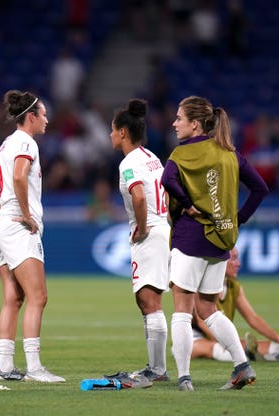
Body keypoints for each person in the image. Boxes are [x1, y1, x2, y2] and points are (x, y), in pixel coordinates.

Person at [160, 95, 269, 391]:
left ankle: (183, 377)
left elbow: (166, 180)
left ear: (195, 124)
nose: (174, 123)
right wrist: (238, 219)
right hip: (221, 242)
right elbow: (260, 188)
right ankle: (241, 365)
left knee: (182, 309)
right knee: (209, 308)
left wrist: (186, 203)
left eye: (179, 118)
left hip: (191, 238)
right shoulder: (230, 153)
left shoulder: (182, 154)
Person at [0, 90, 65, 383]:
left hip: (3, 223)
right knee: (38, 296)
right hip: (18, 226)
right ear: (30, 116)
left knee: (13, 298)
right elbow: (19, 176)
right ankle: (34, 368)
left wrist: (4, 208)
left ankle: (5, 366)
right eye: (43, 114)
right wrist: (26, 214)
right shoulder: (26, 142)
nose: (46, 119)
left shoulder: (7, 143)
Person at [109, 99, 171, 383]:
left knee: (149, 300)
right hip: (162, 228)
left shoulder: (129, 163)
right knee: (147, 300)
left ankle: (158, 369)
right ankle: (156, 366)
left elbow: (139, 196)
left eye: (112, 130)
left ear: (123, 132)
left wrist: (144, 227)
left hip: (151, 233)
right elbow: (167, 191)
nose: (110, 135)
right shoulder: (152, 157)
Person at [191, 247, 279, 361]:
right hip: (196, 339)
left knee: (275, 346)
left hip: (222, 338)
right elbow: (202, 322)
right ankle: (253, 356)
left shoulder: (234, 286)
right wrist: (230, 343)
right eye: (233, 259)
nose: (238, 264)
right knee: (218, 349)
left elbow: (252, 318)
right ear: (220, 260)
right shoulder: (201, 284)